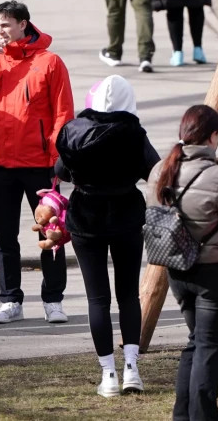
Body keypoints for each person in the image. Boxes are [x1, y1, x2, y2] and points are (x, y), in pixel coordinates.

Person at [0, 1, 75, 325]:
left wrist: (58, 159)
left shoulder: (50, 62)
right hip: (1, 163)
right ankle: (11, 300)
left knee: (51, 231)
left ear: (24, 24)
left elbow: (64, 113)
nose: (0, 32)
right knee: (5, 237)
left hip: (40, 163)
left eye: (6, 25)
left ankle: (54, 300)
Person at [145, 104, 218, 420]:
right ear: (213, 136)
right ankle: (203, 415)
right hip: (215, 272)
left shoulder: (160, 170)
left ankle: (183, 414)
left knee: (197, 343)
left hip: (176, 269)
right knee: (209, 347)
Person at [54, 75, 160, 397]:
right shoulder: (133, 134)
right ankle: (132, 368)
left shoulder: (75, 132)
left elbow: (61, 171)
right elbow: (154, 170)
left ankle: (108, 374)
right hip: (126, 216)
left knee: (97, 298)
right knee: (129, 295)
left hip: (86, 217)